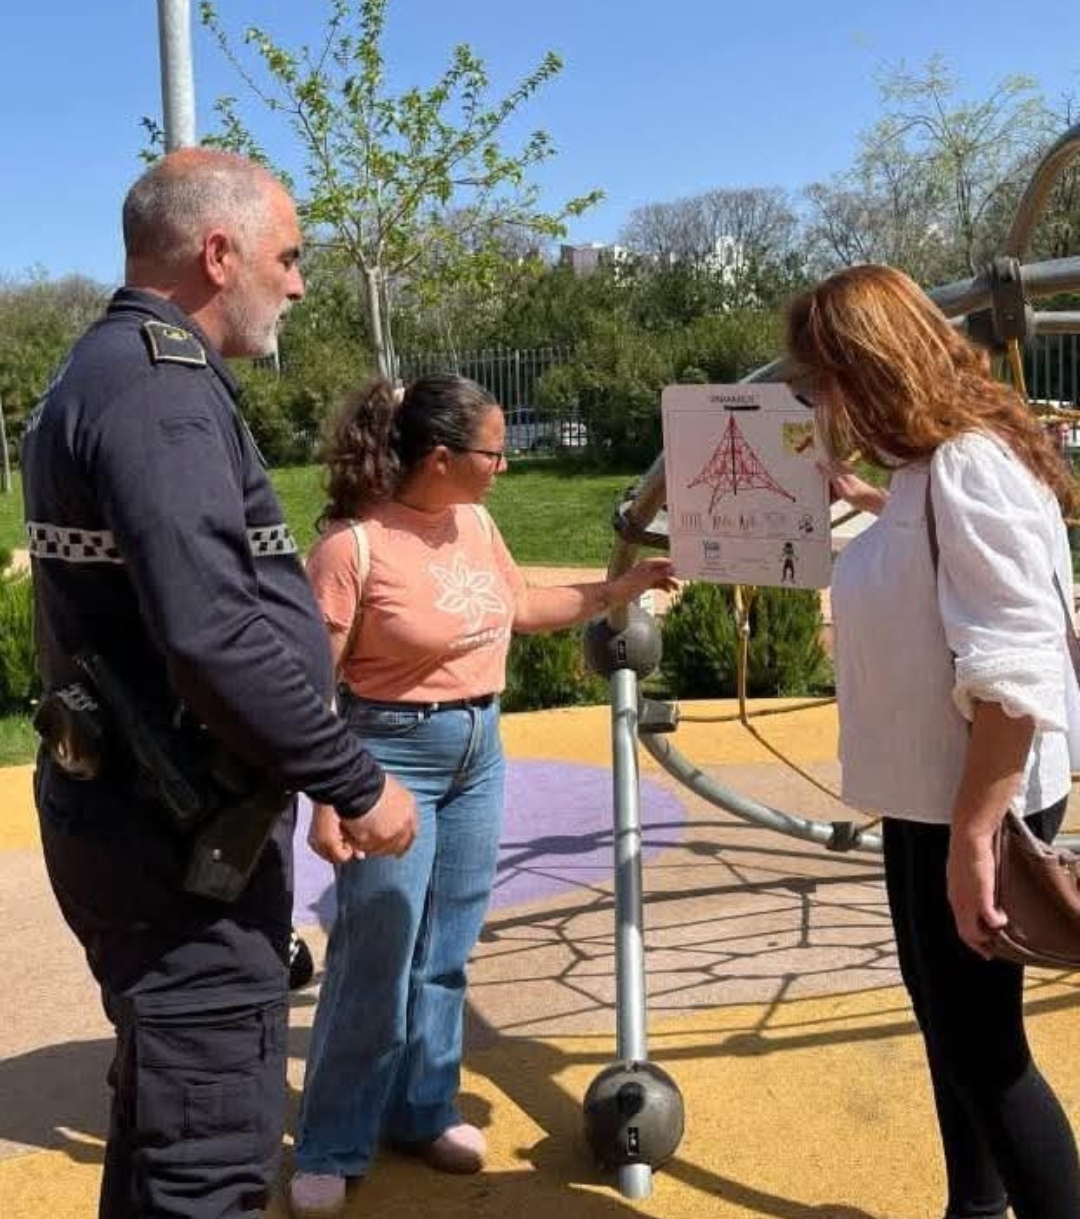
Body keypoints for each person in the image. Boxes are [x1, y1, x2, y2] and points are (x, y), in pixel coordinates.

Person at [22, 148, 418, 1219]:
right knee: (208, 1158)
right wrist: (351, 779)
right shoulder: (159, 390)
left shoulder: (112, 368)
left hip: (147, 819)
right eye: (287, 258)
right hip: (175, 844)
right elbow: (212, 631)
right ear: (217, 252)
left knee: (164, 1131)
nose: (299, 284)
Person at [289, 374, 677, 1218]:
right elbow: (313, 684)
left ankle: (423, 1109)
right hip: (387, 756)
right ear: (440, 457)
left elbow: (521, 604)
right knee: (374, 957)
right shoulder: (352, 548)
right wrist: (325, 799)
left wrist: (621, 589)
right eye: (493, 452)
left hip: (478, 751)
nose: (505, 465)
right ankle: (330, 1142)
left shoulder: (475, 522)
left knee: (447, 949)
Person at [786, 263, 1080, 1219]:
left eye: (822, 379)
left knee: (985, 1049)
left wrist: (973, 835)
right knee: (952, 1026)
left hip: (972, 796)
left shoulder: (968, 464)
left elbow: (1015, 669)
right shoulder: (932, 468)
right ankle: (976, 1207)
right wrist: (860, 497)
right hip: (932, 794)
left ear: (866, 367)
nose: (820, 402)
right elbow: (937, 551)